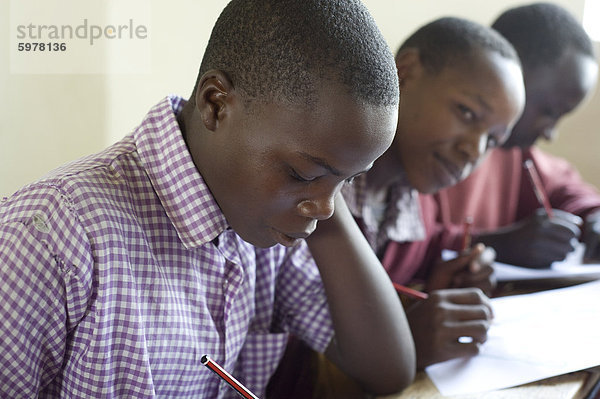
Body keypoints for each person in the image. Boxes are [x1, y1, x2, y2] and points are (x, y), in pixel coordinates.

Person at [0, 0, 416, 397]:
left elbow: (388, 369)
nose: (325, 208)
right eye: (303, 172)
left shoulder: (267, 224)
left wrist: (326, 184)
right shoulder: (52, 236)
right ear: (215, 104)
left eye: (347, 183)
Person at [267, 15, 525, 396]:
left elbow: (418, 256)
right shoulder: (308, 193)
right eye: (467, 114)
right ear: (405, 73)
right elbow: (282, 357)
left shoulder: (414, 203)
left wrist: (437, 282)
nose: (474, 150)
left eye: (493, 140)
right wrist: (403, 341)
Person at [434, 2, 600, 268]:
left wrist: (593, 216)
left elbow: (566, 188)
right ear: (511, 72)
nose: (550, 133)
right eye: (548, 111)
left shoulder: (513, 151)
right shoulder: (434, 143)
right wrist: (498, 245)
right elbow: (410, 246)